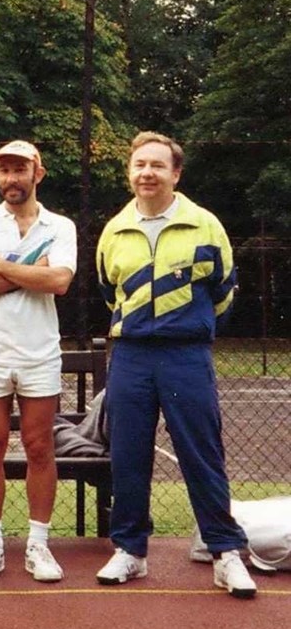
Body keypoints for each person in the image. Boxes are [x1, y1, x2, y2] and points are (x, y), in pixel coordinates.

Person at [94, 131, 256, 598]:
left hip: (186, 355)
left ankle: (225, 554)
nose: (147, 173)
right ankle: (131, 552)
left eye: (157, 166)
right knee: (128, 455)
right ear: (130, 172)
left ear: (176, 173)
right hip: (131, 355)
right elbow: (111, 292)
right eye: (139, 164)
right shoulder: (114, 229)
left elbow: (224, 293)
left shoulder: (205, 225)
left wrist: (187, 326)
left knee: (202, 454)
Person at [0, 140, 76, 582]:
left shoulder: (60, 225)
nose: (11, 178)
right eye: (4, 170)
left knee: (39, 446)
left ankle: (38, 545)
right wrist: (26, 270)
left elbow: (59, 281)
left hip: (39, 352)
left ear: (37, 174)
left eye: (19, 170)